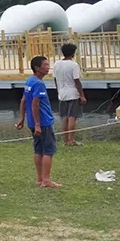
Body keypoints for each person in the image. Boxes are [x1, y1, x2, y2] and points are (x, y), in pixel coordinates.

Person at [16, 56, 61, 188]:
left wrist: (22, 118)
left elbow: (23, 100)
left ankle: (39, 178)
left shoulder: (29, 81)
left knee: (38, 150)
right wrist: (37, 125)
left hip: (32, 121)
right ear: (37, 68)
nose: (48, 67)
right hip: (43, 122)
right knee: (48, 150)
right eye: (45, 65)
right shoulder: (39, 84)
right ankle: (46, 180)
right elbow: (35, 105)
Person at [52, 43, 86, 146]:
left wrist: (59, 90)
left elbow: (55, 78)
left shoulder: (56, 64)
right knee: (72, 117)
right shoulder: (74, 65)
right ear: (73, 53)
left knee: (64, 118)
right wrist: (82, 95)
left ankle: (66, 140)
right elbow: (77, 81)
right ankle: (72, 140)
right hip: (73, 94)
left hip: (62, 94)